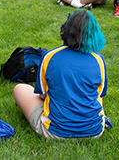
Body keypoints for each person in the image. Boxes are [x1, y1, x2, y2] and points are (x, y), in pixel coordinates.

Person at [13, 9, 110, 139]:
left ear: (66, 29)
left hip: (54, 131)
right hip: (94, 131)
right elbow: (99, 94)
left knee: (20, 88)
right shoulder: (98, 60)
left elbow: (42, 95)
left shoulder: (50, 57)